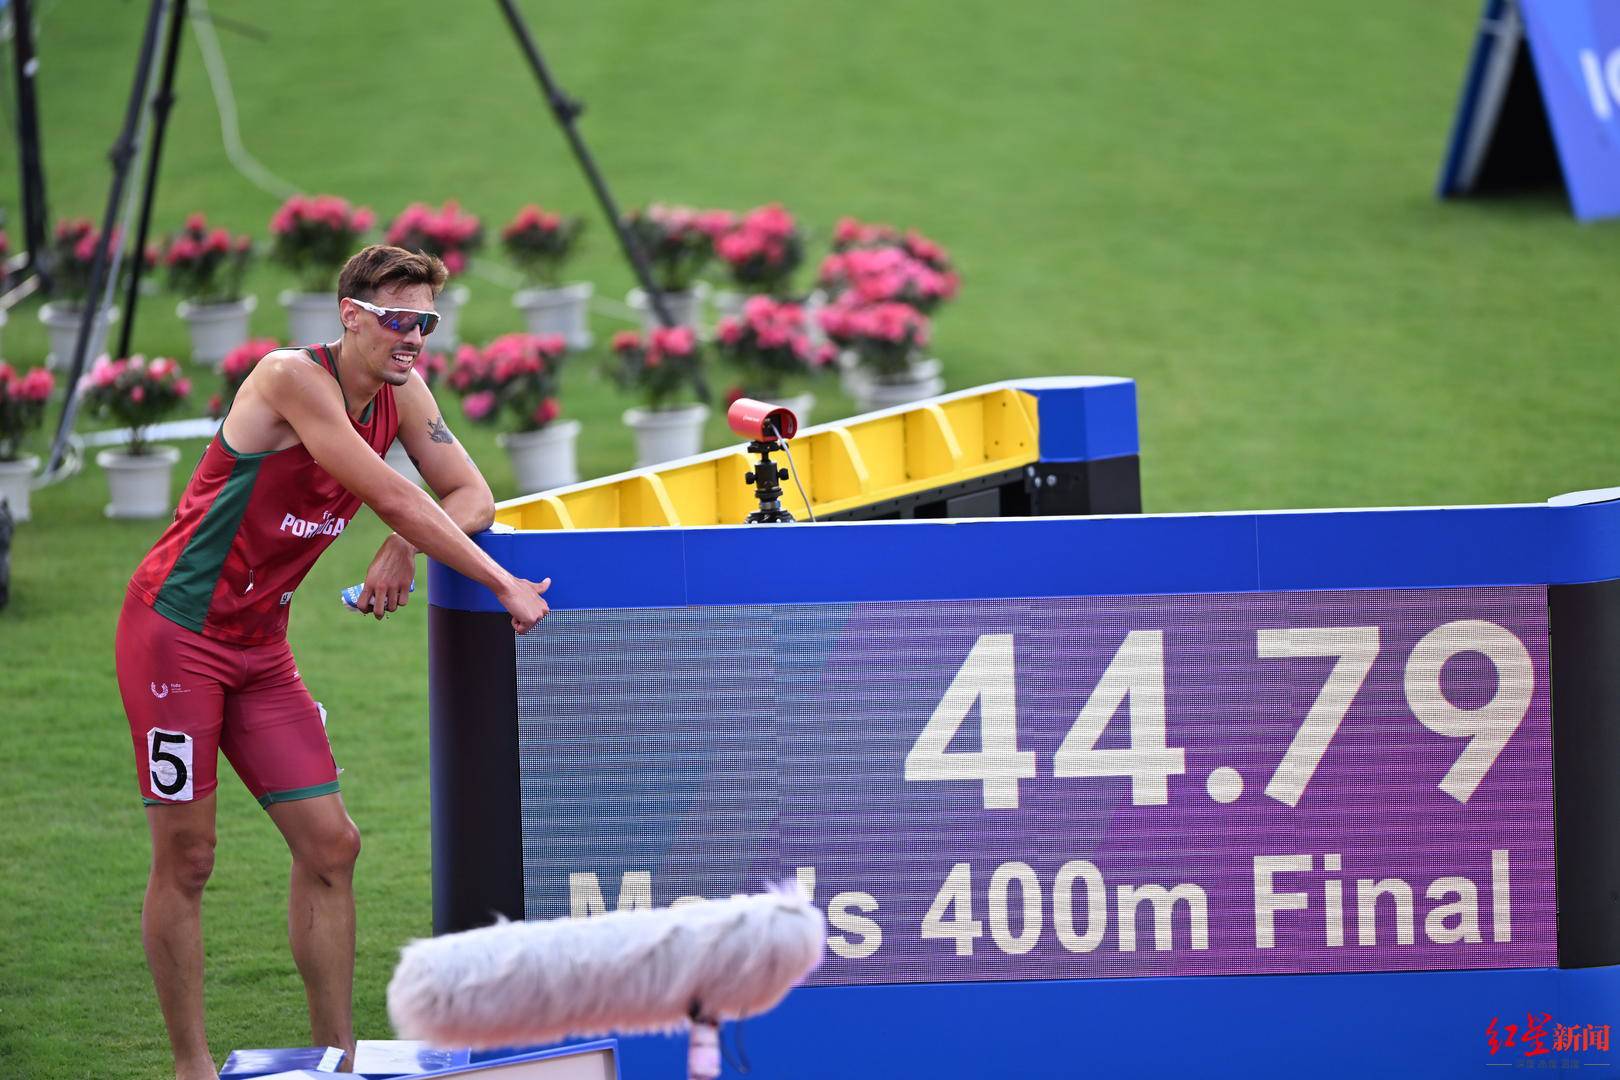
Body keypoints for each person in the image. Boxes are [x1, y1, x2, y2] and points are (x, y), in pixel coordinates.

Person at [113, 245, 549, 1080]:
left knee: (331, 845)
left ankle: (335, 1062)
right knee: (190, 856)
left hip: (259, 648)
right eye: (398, 320)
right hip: (175, 637)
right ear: (350, 315)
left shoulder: (402, 388)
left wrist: (401, 552)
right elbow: (390, 489)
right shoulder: (289, 378)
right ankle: (190, 1066)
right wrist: (503, 585)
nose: (414, 337)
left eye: (426, 321)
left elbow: (472, 494)